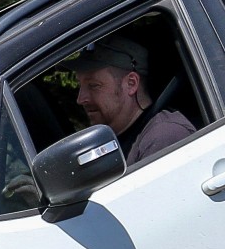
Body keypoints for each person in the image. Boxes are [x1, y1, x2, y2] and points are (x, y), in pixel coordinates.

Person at [74, 37, 197, 165]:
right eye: (80, 86)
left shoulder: (164, 137)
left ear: (131, 83)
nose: (80, 99)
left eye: (94, 85)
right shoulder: (112, 144)